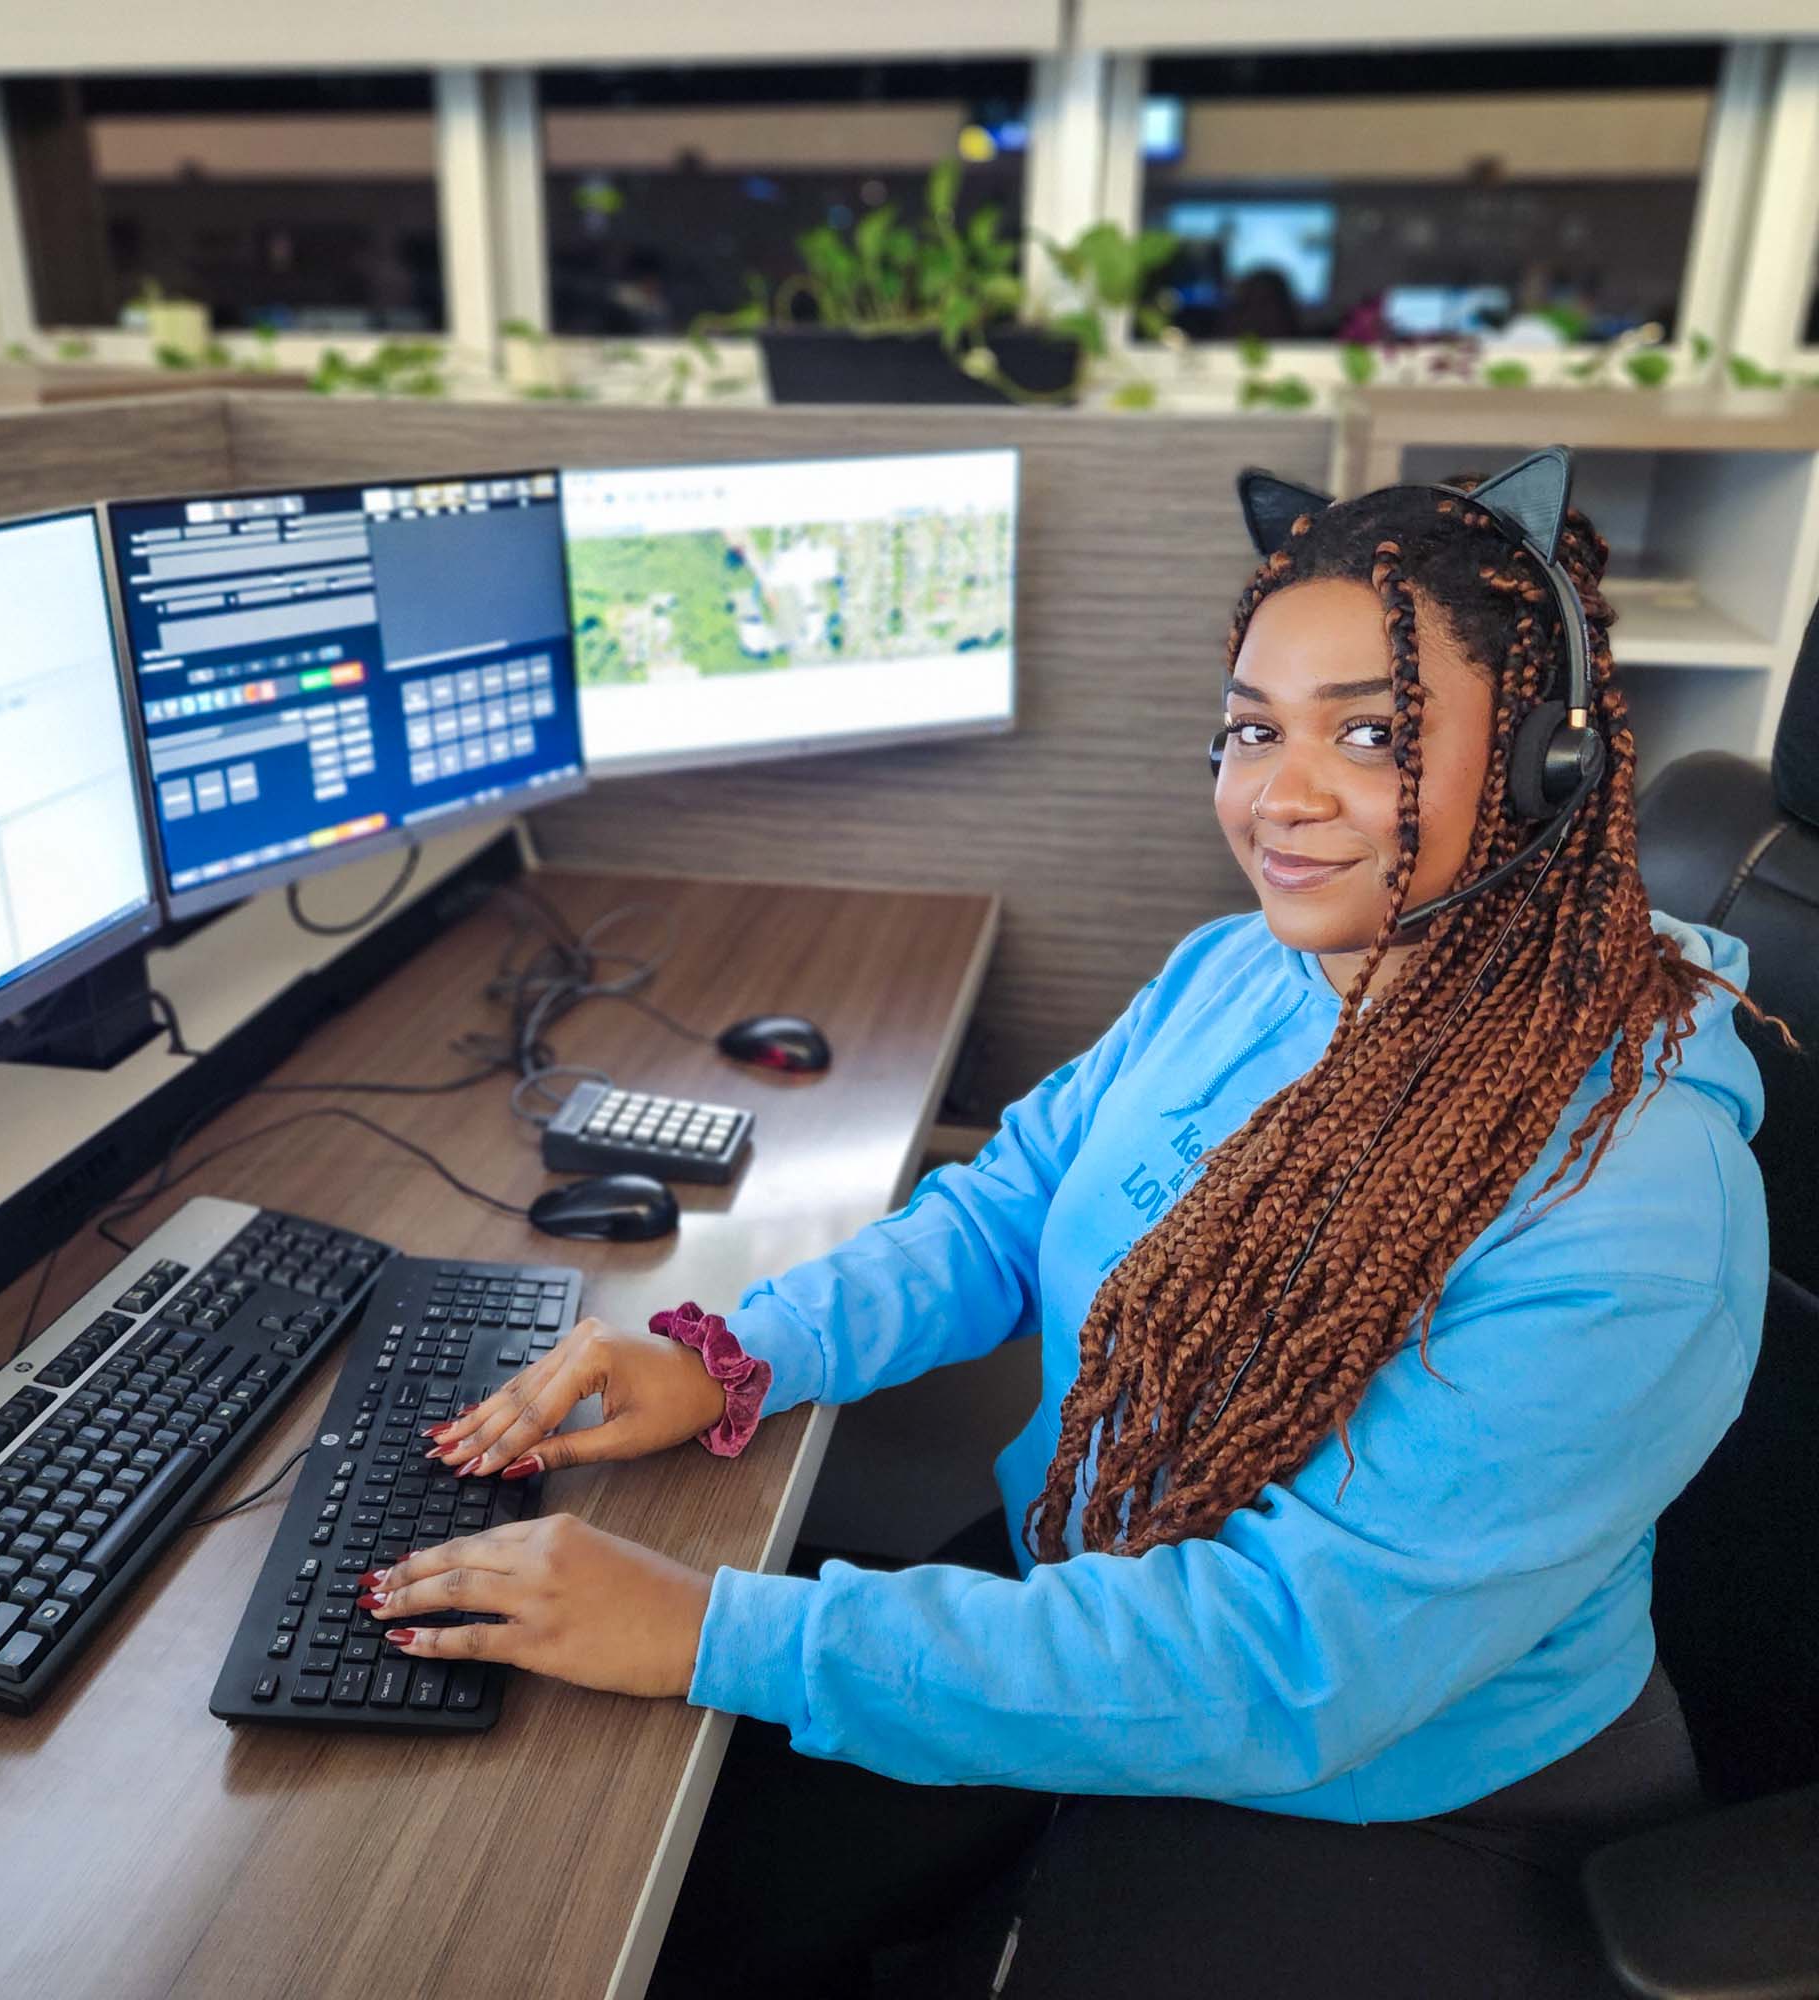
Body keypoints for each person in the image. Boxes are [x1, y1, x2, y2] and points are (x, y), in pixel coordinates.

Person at [358, 459, 1770, 1998]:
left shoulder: (1637, 1208)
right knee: (678, 1904)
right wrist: (735, 1354)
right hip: (1087, 1581)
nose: (1276, 798)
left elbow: (1281, 1662)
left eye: (1371, 736)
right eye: (1252, 728)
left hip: (1397, 1784)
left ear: (1549, 763)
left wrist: (718, 1633)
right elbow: (1011, 1203)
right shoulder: (1244, 972)